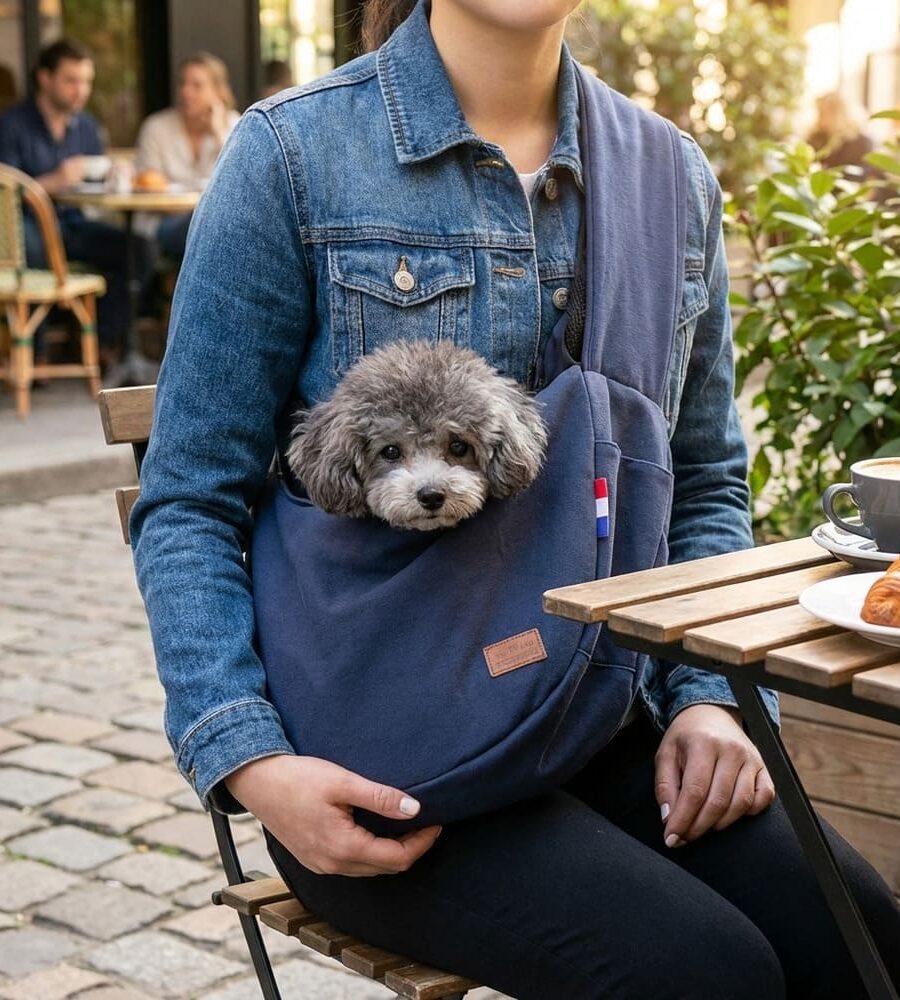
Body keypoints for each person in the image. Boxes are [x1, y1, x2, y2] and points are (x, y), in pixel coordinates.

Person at [131, 2, 900, 998]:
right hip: (381, 758)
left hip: (605, 713)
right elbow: (190, 501)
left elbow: (703, 479)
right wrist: (252, 762)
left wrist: (710, 705)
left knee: (867, 936)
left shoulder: (670, 178)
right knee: (710, 974)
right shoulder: (293, 156)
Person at [0, 39, 156, 366]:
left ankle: (102, 342)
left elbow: (94, 186)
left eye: (86, 81)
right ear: (45, 78)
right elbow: (6, 192)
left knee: (139, 249)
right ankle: (35, 354)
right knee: (37, 244)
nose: (81, 90)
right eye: (71, 80)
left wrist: (116, 174)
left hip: (74, 224)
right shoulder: (13, 125)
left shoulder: (87, 127)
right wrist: (52, 181)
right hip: (21, 230)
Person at [134, 52, 239, 261]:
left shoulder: (233, 125)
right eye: (183, 83)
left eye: (197, 86)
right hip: (162, 223)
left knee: (219, 224)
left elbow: (242, 181)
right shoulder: (157, 128)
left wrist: (218, 132)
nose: (186, 92)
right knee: (212, 224)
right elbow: (147, 184)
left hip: (210, 222)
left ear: (218, 92)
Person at [807, 91, 876, 176]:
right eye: (820, 112)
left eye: (825, 113)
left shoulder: (862, 142)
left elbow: (865, 173)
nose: (821, 117)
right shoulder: (816, 138)